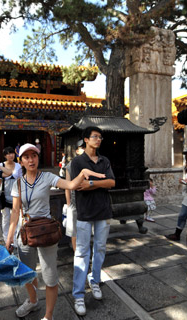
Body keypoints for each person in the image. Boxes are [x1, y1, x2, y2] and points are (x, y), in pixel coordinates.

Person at [5, 143, 105, 320]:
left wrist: (82, 174)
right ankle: (33, 301)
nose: (31, 160)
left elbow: (71, 185)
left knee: (50, 277)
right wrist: (9, 237)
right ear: (21, 162)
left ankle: (48, 316)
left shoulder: (47, 177)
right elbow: (14, 212)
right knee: (26, 273)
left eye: (34, 156)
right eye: (26, 157)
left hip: (46, 232)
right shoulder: (17, 184)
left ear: (38, 158)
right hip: (26, 233)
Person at [70, 126, 115, 317]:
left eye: (100, 137)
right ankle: (78, 294)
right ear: (86, 140)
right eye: (95, 137)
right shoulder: (78, 162)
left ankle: (95, 281)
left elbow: (111, 183)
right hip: (85, 213)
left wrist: (91, 183)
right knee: (81, 253)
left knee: (101, 248)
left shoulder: (104, 160)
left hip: (103, 212)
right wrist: (97, 183)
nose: (98, 140)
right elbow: (77, 186)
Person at [64, 140, 85, 251]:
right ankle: (77, 254)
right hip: (74, 202)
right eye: (82, 147)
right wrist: (68, 204)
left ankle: (85, 253)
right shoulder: (70, 165)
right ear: (77, 150)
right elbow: (67, 186)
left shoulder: (91, 163)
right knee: (74, 232)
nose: (84, 149)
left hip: (87, 203)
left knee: (86, 231)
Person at [0, 146, 22, 245]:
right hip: (4, 192)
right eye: (8, 153)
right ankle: (6, 239)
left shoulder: (18, 166)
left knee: (16, 215)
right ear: (5, 155)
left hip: (16, 192)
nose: (10, 155)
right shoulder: (1, 165)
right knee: (6, 217)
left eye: (12, 153)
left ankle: (16, 239)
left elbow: (21, 180)